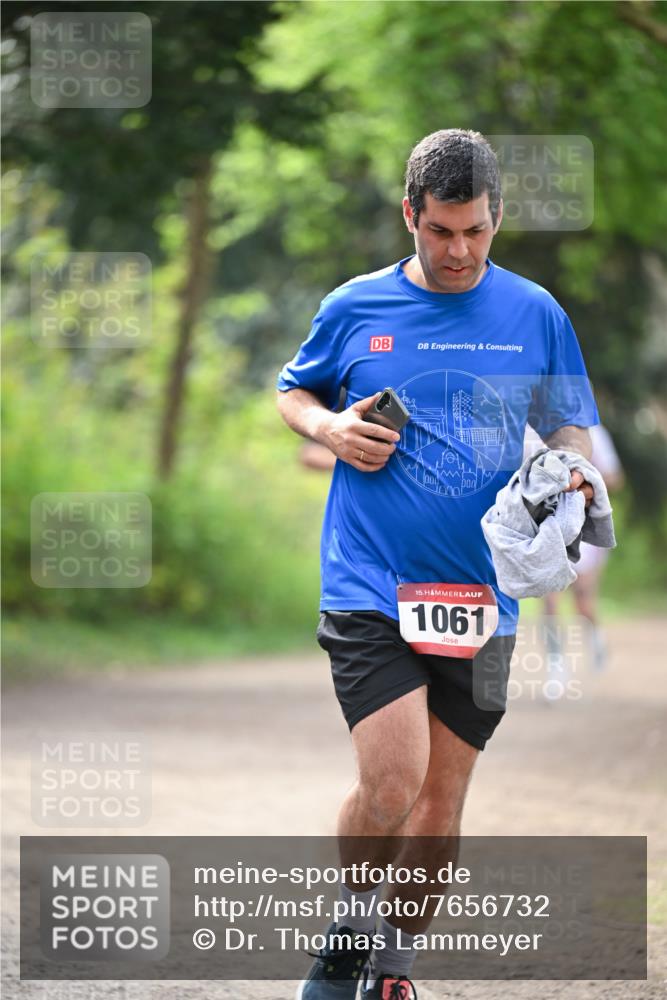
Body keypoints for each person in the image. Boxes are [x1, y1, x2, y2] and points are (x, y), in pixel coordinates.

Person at [276, 129, 599, 1000]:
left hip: (482, 594)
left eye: (476, 233)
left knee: (438, 810)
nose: (458, 252)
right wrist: (329, 427)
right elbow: (294, 391)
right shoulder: (354, 306)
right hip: (370, 581)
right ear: (409, 215)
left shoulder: (535, 314)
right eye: (441, 231)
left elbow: (570, 426)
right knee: (390, 784)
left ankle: (394, 968)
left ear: (497, 220)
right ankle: (344, 948)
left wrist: (566, 468)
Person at [524, 424, 624, 682]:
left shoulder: (596, 435)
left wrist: (587, 477)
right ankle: (556, 666)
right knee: (551, 602)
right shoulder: (538, 430)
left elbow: (615, 478)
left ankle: (595, 638)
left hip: (585, 529)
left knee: (583, 602)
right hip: (549, 528)